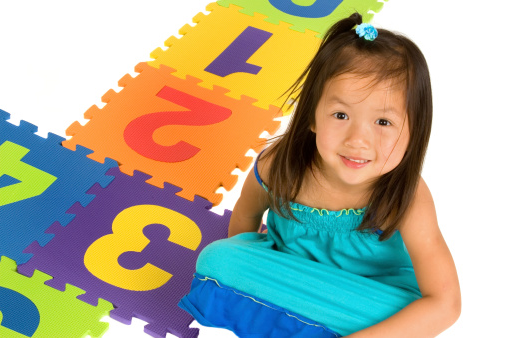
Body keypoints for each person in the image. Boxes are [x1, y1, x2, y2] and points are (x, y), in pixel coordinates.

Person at [178, 12, 461, 337]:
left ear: (415, 132)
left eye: (383, 122)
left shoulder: (408, 196)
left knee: (410, 315)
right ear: (312, 117)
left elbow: (445, 302)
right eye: (340, 115)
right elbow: (245, 218)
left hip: (365, 298)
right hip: (291, 275)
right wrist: (250, 270)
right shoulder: (279, 167)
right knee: (217, 260)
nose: (358, 140)